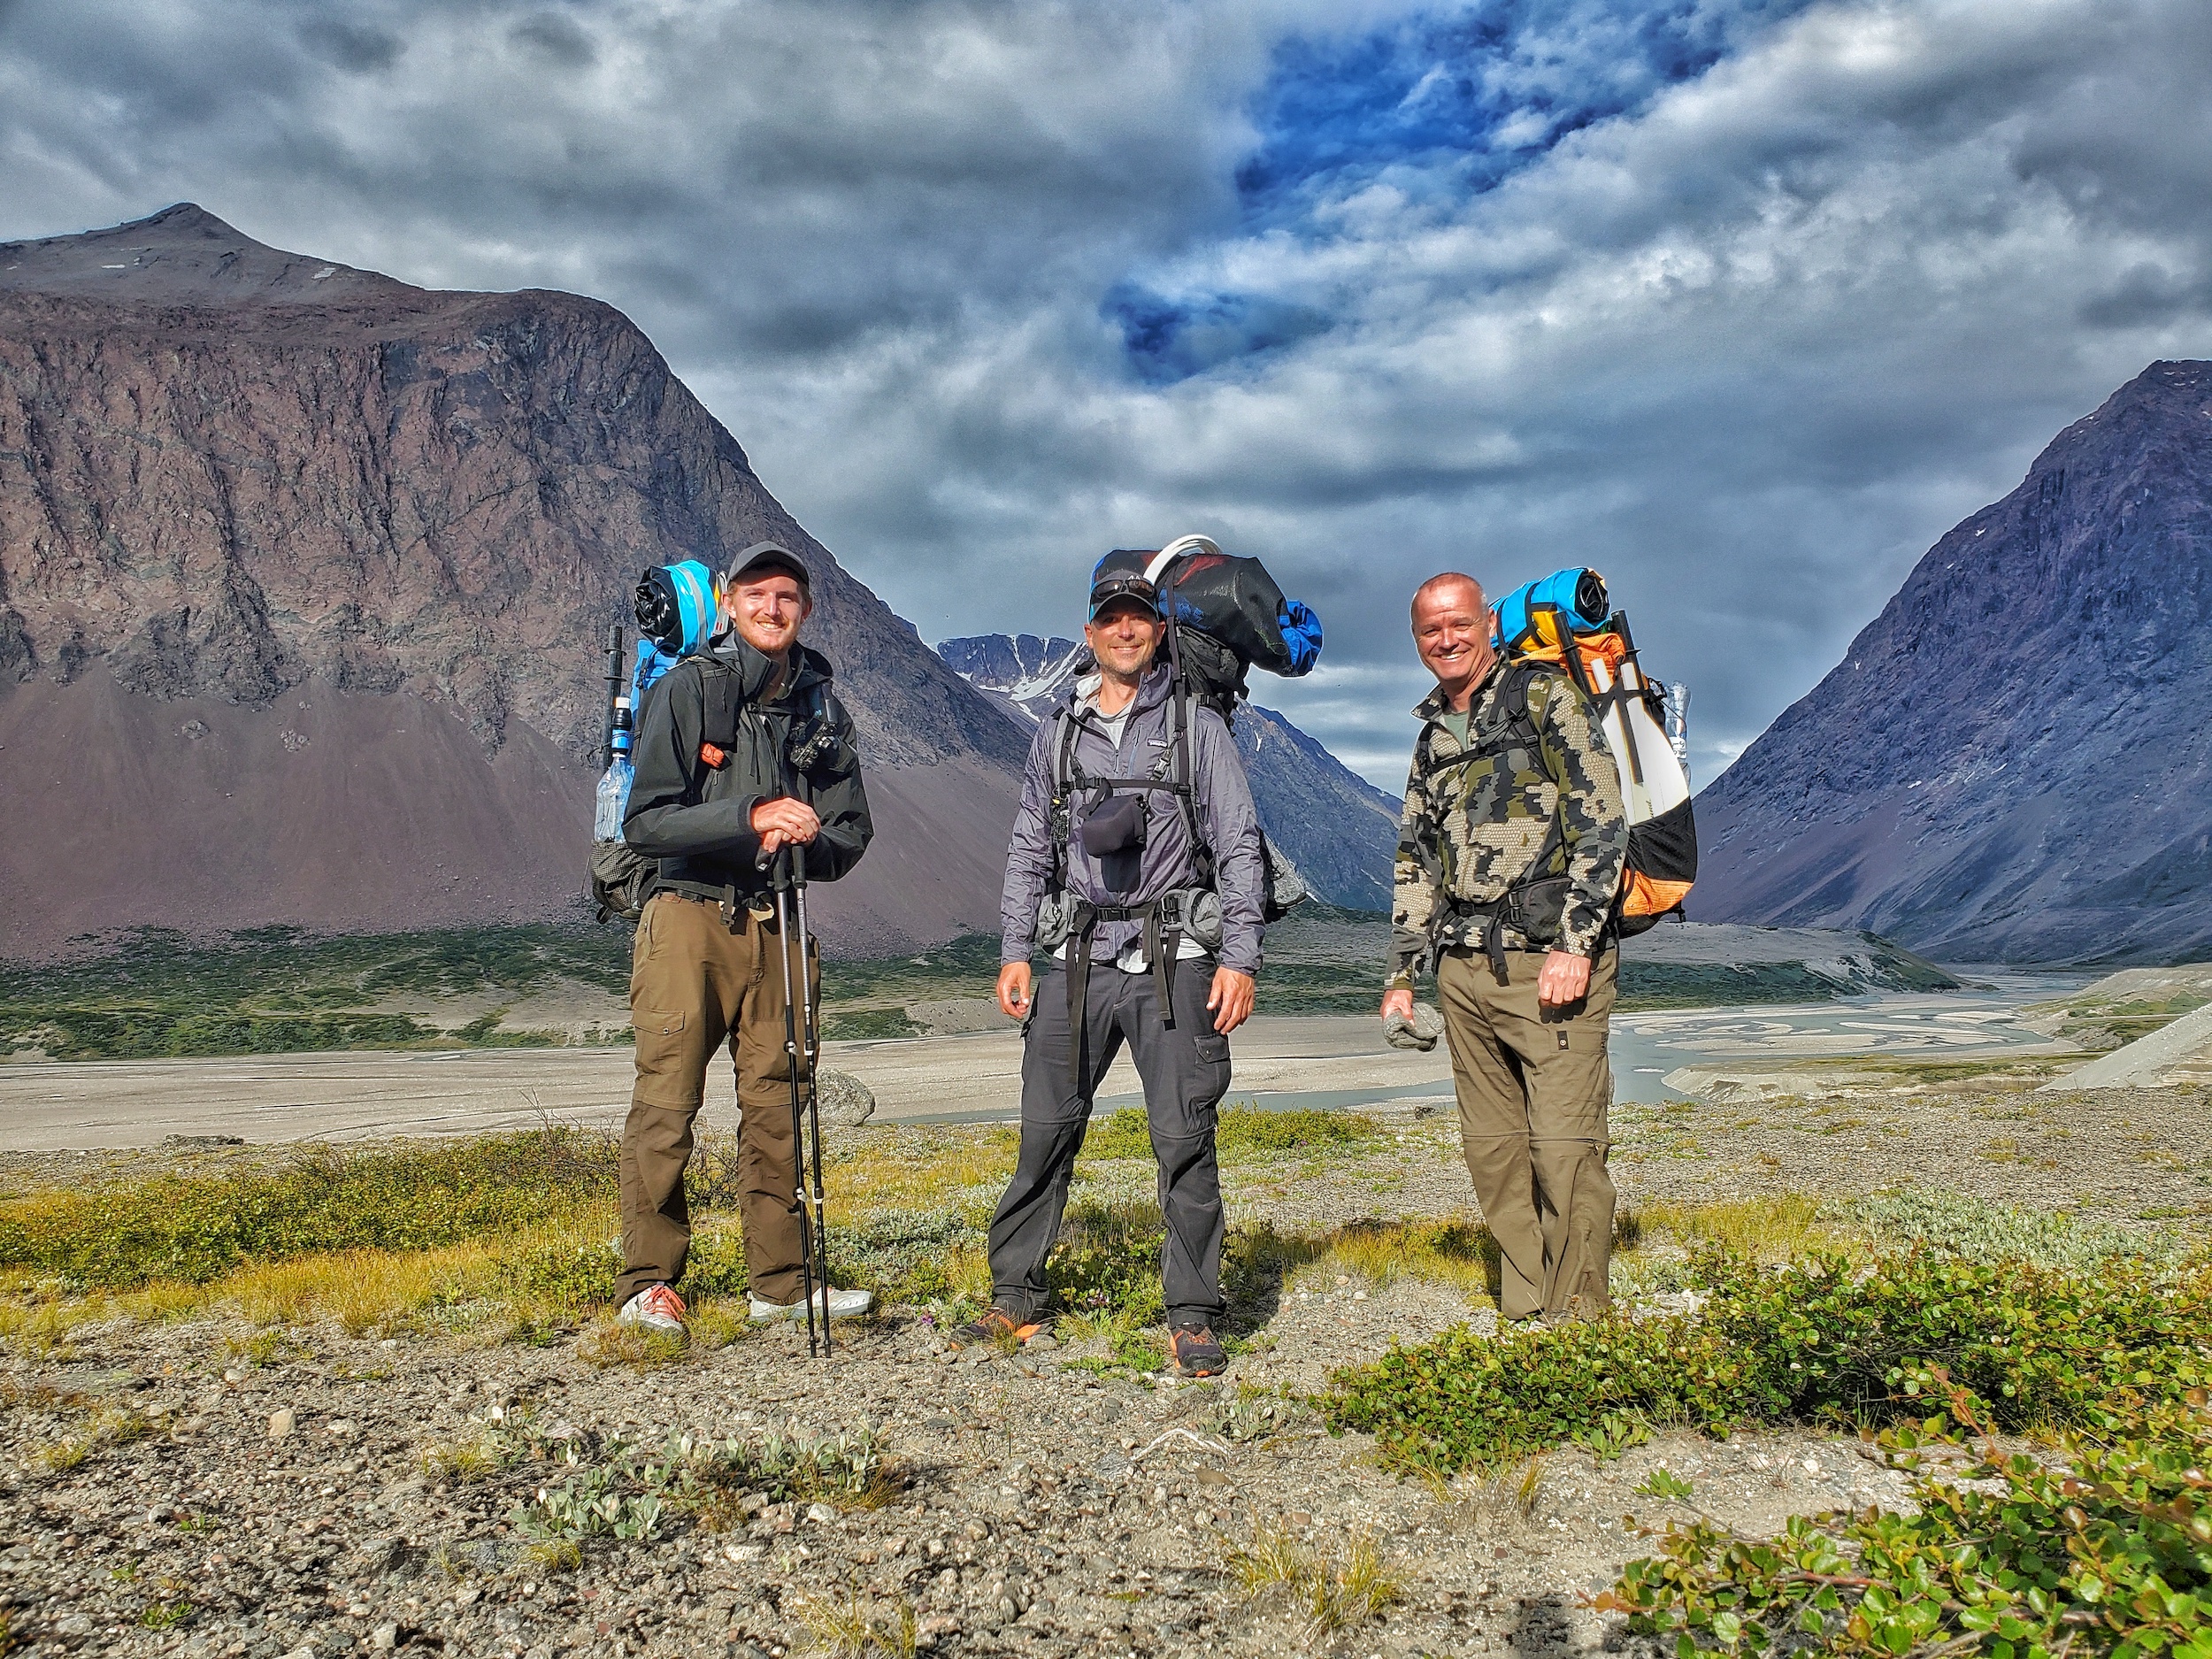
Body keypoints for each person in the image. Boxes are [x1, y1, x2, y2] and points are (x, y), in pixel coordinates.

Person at [970, 553, 1267, 1378]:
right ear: (1091, 632)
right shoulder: (1057, 732)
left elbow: (1239, 844)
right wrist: (1015, 950)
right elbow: (1030, 845)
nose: (1126, 628)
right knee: (1044, 1131)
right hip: (1073, 959)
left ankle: (1194, 1312)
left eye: (1139, 615)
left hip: (1180, 960)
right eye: (1111, 617)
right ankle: (1014, 1298)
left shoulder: (1194, 728)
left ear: (1159, 629)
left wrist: (1240, 956)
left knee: (1182, 1136)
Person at [613, 541, 875, 1338]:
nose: (772, 607)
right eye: (756, 593)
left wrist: (805, 843)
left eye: (787, 595)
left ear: (806, 609)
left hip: (780, 919)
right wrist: (751, 816)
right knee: (667, 1101)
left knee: (778, 1105)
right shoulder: (689, 689)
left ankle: (782, 1284)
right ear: (728, 603)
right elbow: (646, 819)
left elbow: (852, 829)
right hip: (687, 916)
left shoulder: (822, 707)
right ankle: (649, 1283)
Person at [1380, 572, 1628, 1323]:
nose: (1446, 639)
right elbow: (1416, 857)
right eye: (1430, 630)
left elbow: (1602, 819)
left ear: (1488, 622)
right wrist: (1403, 973)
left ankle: (1578, 1318)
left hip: (1550, 961)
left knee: (1564, 1150)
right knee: (1494, 1154)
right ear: (1417, 639)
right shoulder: (1431, 738)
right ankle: (1526, 1306)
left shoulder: (1545, 697)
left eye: (1458, 623)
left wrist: (1578, 943)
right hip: (1463, 970)